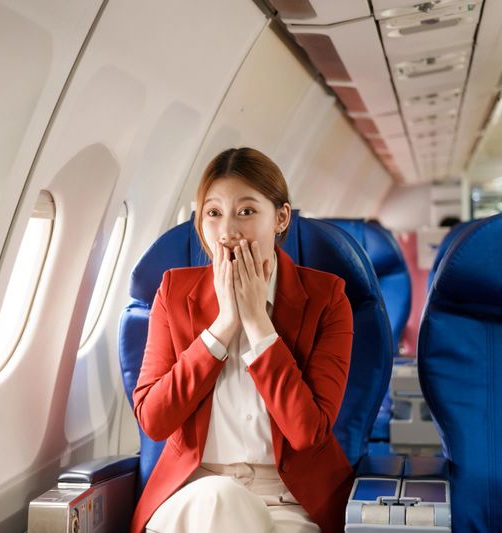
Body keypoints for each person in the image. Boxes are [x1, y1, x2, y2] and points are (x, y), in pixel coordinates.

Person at [130, 147, 354, 533]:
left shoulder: (326, 298)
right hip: (194, 493)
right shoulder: (173, 292)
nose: (228, 231)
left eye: (246, 211)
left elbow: (307, 432)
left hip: (290, 500)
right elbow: (154, 419)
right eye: (213, 213)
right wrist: (225, 324)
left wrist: (256, 322)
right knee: (221, 498)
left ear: (281, 217)